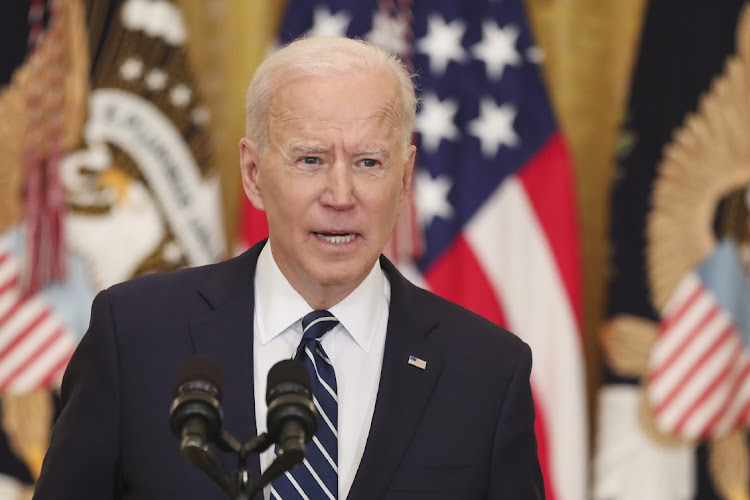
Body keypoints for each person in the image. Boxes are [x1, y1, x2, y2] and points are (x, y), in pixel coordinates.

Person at [33, 37, 543, 499]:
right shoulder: (135, 335)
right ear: (254, 175)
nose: (341, 196)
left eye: (369, 162)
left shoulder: (487, 371)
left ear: (405, 177)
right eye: (310, 160)